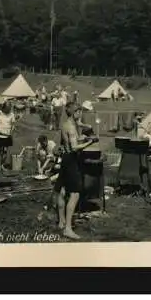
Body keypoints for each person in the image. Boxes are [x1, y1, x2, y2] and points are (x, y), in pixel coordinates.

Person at [55, 102, 97, 239]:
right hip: (72, 160)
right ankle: (68, 228)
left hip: (65, 159)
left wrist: (82, 137)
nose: (81, 114)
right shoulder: (72, 127)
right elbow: (74, 148)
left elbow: (70, 141)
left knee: (62, 190)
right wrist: (90, 141)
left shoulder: (65, 123)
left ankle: (61, 221)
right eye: (79, 112)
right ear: (75, 113)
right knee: (75, 194)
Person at [0, 101, 16, 171]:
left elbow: (13, 125)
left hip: (8, 136)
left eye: (9, 108)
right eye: (7, 108)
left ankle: (2, 165)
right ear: (4, 107)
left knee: (5, 151)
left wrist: (11, 132)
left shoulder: (12, 115)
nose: (8, 110)